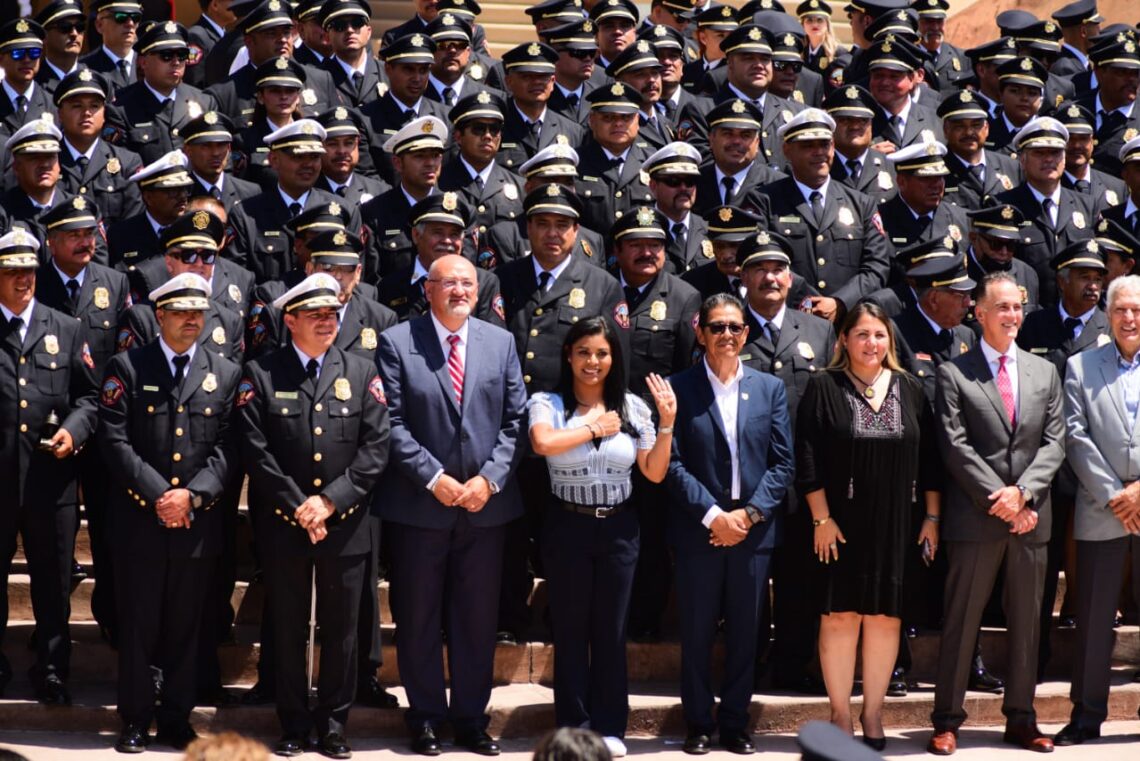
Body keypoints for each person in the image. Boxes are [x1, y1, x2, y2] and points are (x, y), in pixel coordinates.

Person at [376, 254, 526, 757]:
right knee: (417, 617)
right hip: (420, 508)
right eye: (448, 283)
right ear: (429, 289)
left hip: (485, 509)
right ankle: (424, 718)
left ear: (478, 292)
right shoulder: (398, 342)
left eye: (467, 283)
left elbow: (515, 422)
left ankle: (469, 719)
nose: (459, 290)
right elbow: (391, 424)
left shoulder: (500, 342)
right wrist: (433, 478)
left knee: (476, 618)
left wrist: (490, 479)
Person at [237, 272, 390, 759]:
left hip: (346, 524)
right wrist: (298, 505)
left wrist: (330, 501)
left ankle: (334, 723)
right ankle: (293, 722)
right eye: (316, 314)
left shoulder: (362, 371)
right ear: (291, 319)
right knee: (286, 623)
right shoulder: (262, 373)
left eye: (332, 314)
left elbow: (375, 448)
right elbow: (257, 453)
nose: (327, 322)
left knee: (343, 628)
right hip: (285, 524)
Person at [99, 271, 240, 753]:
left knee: (186, 623)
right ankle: (136, 718)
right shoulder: (128, 366)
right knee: (139, 624)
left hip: (196, 523)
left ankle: (177, 716)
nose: (190, 321)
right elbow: (114, 441)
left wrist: (193, 497)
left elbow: (228, 448)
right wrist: (160, 495)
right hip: (141, 521)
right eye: (181, 312)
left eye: (198, 313)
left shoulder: (225, 372)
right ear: (159, 316)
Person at [928, 272, 1066, 756]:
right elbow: (955, 446)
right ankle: (947, 719)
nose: (1012, 316)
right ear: (979, 313)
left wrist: (1024, 495)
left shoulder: (1044, 372)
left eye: (1017, 307)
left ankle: (1022, 719)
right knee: (962, 620)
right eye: (1002, 307)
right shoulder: (954, 372)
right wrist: (1002, 499)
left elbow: (1054, 443)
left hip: (1031, 519)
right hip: (977, 518)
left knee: (1028, 623)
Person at [795, 300, 939, 749]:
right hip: (836, 525)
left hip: (897, 523)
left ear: (889, 340)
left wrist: (932, 517)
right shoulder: (823, 386)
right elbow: (807, 456)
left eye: (878, 334)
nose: (870, 343)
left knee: (883, 619)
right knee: (839, 618)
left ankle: (873, 714)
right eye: (861, 334)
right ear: (843, 340)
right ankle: (841, 716)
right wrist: (821, 517)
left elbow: (931, 459)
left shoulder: (912, 389)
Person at [530, 313, 675, 757]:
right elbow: (542, 444)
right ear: (569, 357)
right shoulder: (547, 403)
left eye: (602, 353)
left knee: (611, 632)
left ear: (614, 358)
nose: (592, 362)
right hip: (567, 525)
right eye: (584, 353)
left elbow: (653, 472)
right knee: (571, 631)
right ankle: (574, 732)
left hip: (618, 527)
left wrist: (666, 422)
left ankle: (611, 728)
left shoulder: (632, 407)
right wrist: (592, 428)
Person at [667, 288, 794, 755]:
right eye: (716, 326)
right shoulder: (678, 387)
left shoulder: (769, 387)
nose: (726, 334)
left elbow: (783, 463)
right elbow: (672, 463)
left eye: (734, 327)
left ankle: (737, 722)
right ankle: (699, 723)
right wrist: (713, 515)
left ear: (746, 333)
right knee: (697, 631)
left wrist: (750, 513)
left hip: (753, 527)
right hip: (699, 526)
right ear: (700, 332)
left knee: (747, 632)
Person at [0, 227, 99, 705]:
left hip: (51, 481)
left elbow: (90, 397)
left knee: (54, 581)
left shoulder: (66, 327)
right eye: (12, 271)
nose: (23, 280)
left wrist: (74, 431)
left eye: (29, 271)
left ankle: (54, 669)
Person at [1057, 272, 1140, 745]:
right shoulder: (1081, 366)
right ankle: (1087, 715)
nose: (1129, 318)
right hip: (1101, 508)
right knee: (1092, 621)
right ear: (1108, 316)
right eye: (1121, 309)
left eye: (1137, 310)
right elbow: (1075, 435)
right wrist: (1117, 494)